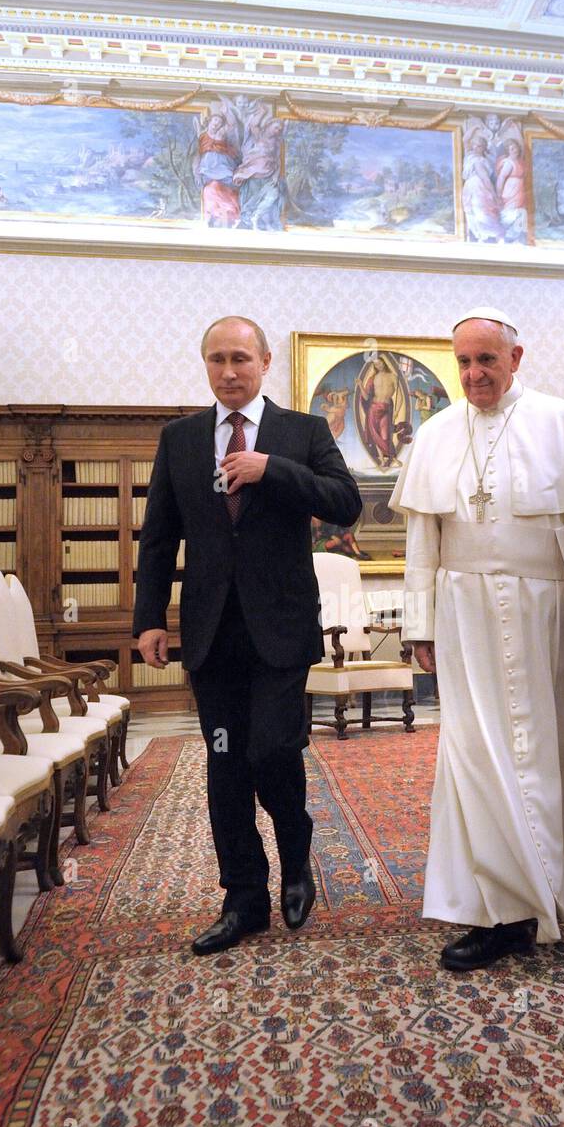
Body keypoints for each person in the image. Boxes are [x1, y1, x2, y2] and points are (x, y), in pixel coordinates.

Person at [390, 307, 564, 972]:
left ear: (516, 357)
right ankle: (505, 908)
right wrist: (417, 625)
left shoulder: (562, 423)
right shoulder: (437, 433)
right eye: (464, 362)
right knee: (476, 754)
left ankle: (560, 878)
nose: (474, 373)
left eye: (486, 359)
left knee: (558, 750)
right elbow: (422, 545)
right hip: (464, 617)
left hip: (548, 614)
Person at [134, 316, 362, 955]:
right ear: (204, 365)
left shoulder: (303, 431)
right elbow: (158, 536)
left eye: (240, 358)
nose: (229, 371)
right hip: (211, 634)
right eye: (216, 360)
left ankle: (295, 850)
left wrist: (272, 470)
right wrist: (150, 617)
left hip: (282, 630)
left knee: (269, 752)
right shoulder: (178, 439)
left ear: (265, 361)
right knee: (226, 763)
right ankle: (243, 898)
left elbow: (346, 503)